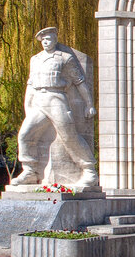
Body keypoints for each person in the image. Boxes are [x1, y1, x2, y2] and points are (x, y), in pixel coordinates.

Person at [11, 27, 99, 190]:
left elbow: (80, 82)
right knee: (24, 134)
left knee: (69, 135)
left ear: (55, 39)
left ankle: (89, 170)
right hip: (39, 100)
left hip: (56, 98)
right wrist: (28, 106)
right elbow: (30, 85)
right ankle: (30, 170)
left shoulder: (65, 58)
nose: (46, 42)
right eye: (43, 40)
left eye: (49, 39)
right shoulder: (35, 59)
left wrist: (89, 105)